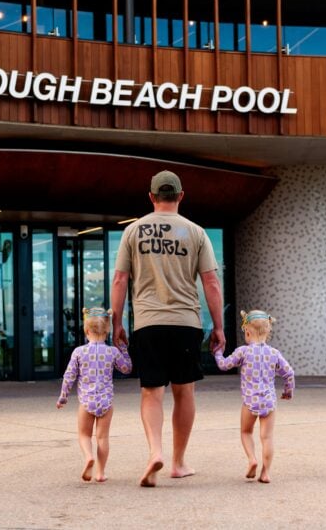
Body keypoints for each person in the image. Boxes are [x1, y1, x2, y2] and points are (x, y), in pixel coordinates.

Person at [111, 169, 226, 487]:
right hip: (185, 323)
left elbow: (120, 279)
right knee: (184, 391)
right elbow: (211, 282)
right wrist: (218, 326)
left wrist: (116, 322)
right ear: (180, 196)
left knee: (151, 392)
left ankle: (154, 452)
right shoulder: (196, 232)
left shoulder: (133, 231)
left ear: (151, 197)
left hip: (147, 324)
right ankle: (177, 463)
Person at [213, 310, 295, 484]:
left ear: (247, 332)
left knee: (246, 431)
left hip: (250, 402)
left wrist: (217, 352)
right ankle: (265, 473)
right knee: (267, 438)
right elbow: (289, 373)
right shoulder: (274, 353)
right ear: (268, 332)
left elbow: (224, 365)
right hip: (269, 402)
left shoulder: (243, 352)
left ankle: (252, 459)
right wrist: (288, 391)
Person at [57, 307, 132, 483]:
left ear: (86, 330)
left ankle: (88, 457)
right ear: (107, 330)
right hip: (106, 402)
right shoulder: (112, 352)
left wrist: (63, 396)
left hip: (86, 401)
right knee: (103, 437)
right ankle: (100, 472)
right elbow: (127, 369)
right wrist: (124, 349)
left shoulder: (79, 352)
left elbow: (69, 376)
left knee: (84, 435)